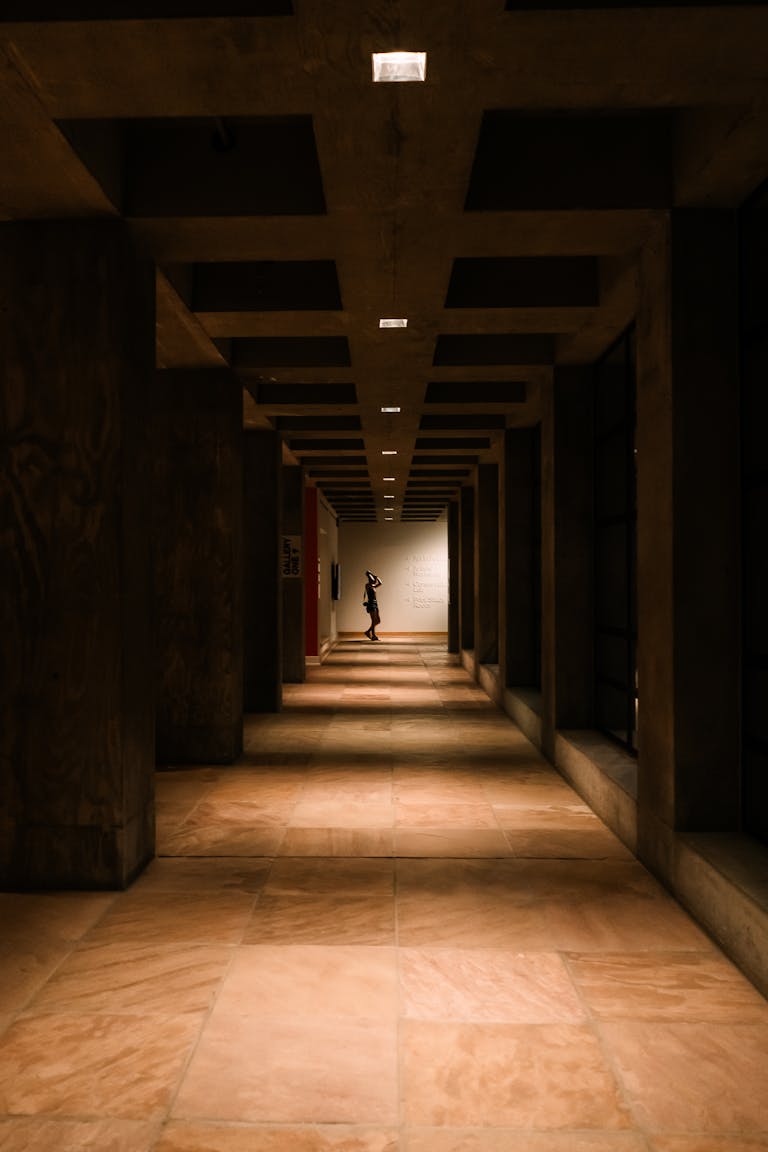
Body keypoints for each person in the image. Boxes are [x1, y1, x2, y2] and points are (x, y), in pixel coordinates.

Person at [363, 569, 382, 640]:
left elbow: (380, 583)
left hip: (375, 603)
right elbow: (374, 581)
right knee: (374, 620)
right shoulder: (368, 585)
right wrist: (373, 575)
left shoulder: (373, 586)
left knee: (378, 620)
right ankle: (373, 635)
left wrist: (374, 575)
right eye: (371, 579)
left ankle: (368, 631)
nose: (373, 580)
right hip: (371, 604)